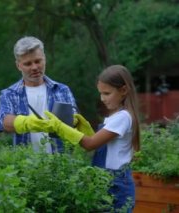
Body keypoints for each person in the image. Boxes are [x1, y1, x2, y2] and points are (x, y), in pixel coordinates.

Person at [41, 65, 140, 212]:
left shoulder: (123, 117)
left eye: (107, 93)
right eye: (100, 93)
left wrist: (60, 126)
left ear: (123, 91)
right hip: (105, 179)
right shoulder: (114, 117)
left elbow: (90, 144)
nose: (102, 98)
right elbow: (99, 143)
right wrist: (81, 127)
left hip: (116, 183)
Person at [0, 36, 78, 153]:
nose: (34, 67)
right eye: (28, 64)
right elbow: (3, 122)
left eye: (38, 61)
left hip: (60, 161)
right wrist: (27, 123)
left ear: (44, 58)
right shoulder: (9, 94)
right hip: (27, 164)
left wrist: (74, 120)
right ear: (18, 65)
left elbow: (74, 120)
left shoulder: (62, 90)